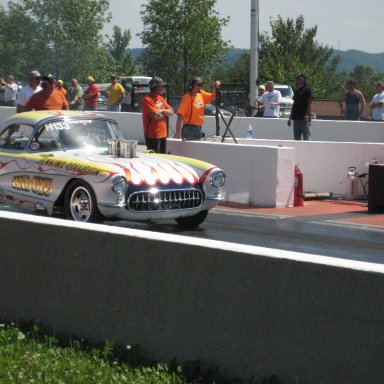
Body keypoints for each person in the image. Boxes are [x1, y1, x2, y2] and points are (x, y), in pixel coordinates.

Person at [141, 76, 174, 154]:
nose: (163, 88)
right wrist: (165, 113)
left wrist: (161, 111)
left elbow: (172, 112)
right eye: (161, 86)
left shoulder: (160, 98)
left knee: (162, 158)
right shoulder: (146, 99)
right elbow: (155, 116)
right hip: (153, 135)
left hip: (163, 134)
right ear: (154, 87)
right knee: (154, 159)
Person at [287, 73, 313, 141]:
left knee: (306, 138)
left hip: (304, 118)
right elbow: (294, 105)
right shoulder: (296, 91)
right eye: (297, 78)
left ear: (304, 80)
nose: (298, 80)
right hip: (296, 118)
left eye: (300, 78)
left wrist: (306, 116)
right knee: (296, 139)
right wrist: (290, 118)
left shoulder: (308, 90)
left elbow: (309, 104)